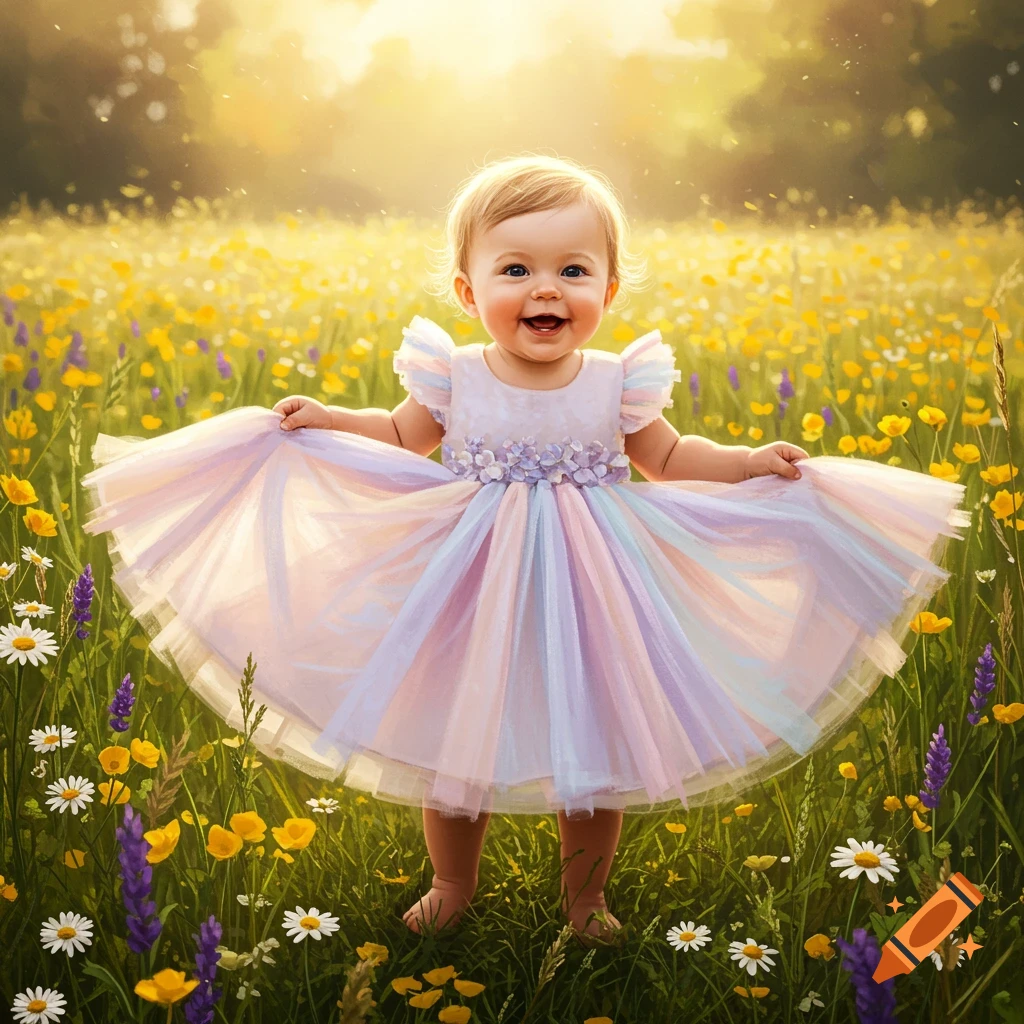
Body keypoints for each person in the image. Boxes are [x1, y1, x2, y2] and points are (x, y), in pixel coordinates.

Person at [81, 154, 970, 948]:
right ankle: (451, 882)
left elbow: (666, 459)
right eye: (516, 269)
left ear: (609, 289)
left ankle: (585, 901)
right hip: (469, 579)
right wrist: (327, 420)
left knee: (594, 734)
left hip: (595, 584)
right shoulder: (456, 375)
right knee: (454, 736)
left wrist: (746, 464)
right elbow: (397, 434)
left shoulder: (619, 381)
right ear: (469, 292)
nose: (546, 289)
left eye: (572, 270)